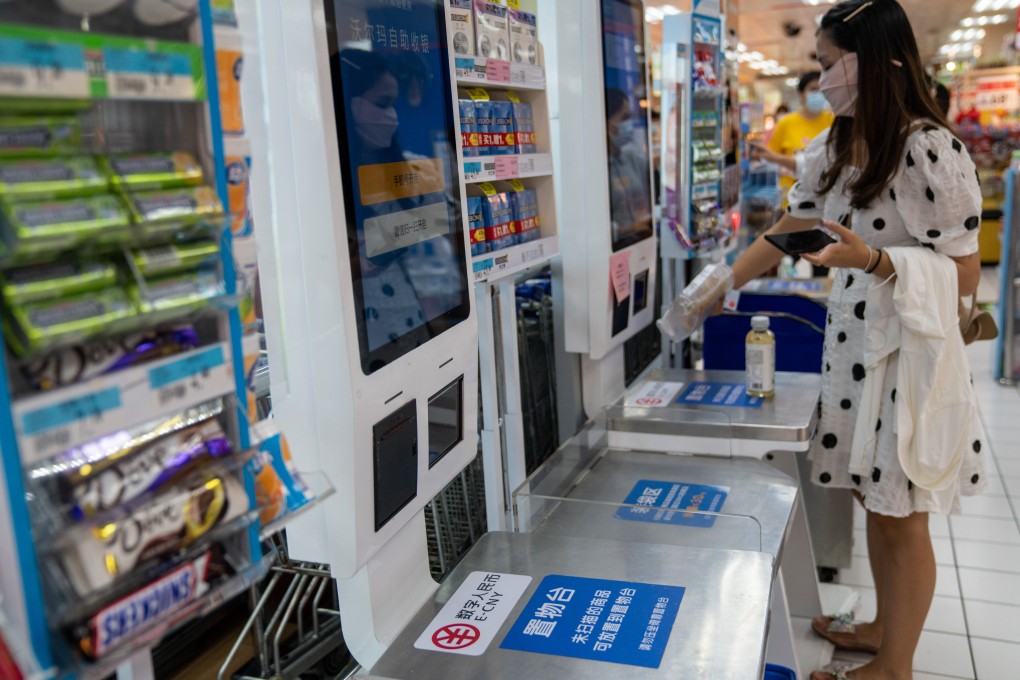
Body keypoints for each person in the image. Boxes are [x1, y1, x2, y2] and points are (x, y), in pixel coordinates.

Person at [725, 2, 985, 678]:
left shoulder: (929, 148)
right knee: (875, 497)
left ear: (876, 62)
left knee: (905, 516)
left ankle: (894, 664)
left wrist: (874, 261)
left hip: (911, 357)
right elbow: (789, 226)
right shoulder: (836, 147)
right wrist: (712, 291)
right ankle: (879, 626)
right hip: (856, 351)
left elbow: (962, 273)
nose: (821, 80)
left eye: (827, 63)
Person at [756, 72, 835, 191]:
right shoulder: (786, 123)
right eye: (813, 89)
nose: (818, 93)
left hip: (823, 193)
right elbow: (770, 157)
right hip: (790, 195)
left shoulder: (833, 121)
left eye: (822, 89)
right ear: (801, 94)